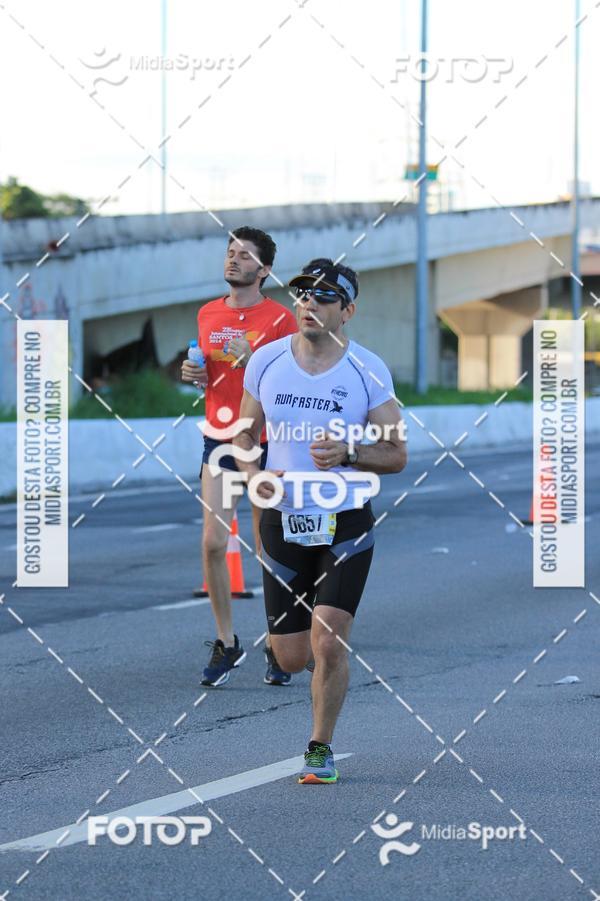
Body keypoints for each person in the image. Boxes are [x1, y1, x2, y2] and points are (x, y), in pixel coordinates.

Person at [233, 258, 407, 783]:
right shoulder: (264, 362)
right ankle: (295, 653)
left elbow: (397, 454)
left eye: (325, 296)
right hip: (283, 518)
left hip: (346, 519)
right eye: (303, 293)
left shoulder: (368, 370)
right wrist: (252, 474)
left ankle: (319, 749)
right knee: (290, 658)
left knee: (329, 640)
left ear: (347, 311)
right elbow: (244, 433)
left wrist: (351, 452)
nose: (309, 302)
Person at [181, 226, 297, 687]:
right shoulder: (208, 312)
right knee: (212, 541)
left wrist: (256, 358)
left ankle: (277, 640)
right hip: (220, 438)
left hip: (265, 441)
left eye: (244, 255)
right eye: (230, 253)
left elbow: (291, 382)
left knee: (266, 547)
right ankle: (227, 642)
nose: (234, 260)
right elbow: (206, 371)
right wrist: (192, 371)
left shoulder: (281, 319)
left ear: (264, 269)